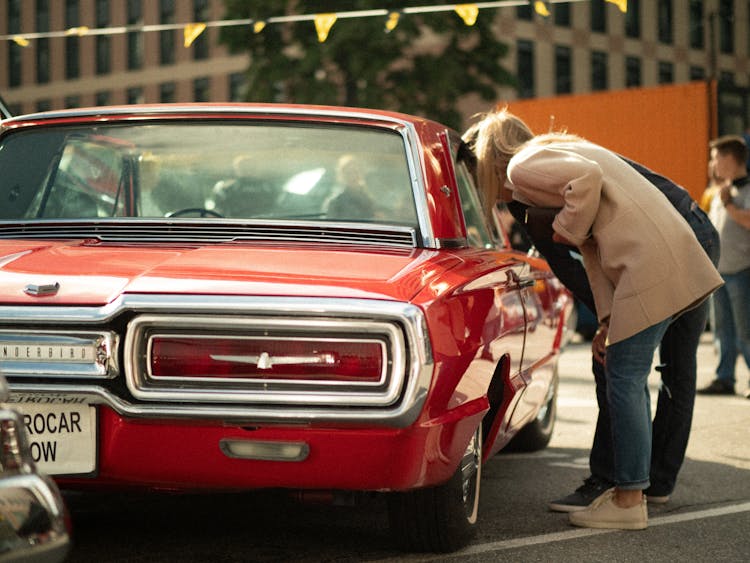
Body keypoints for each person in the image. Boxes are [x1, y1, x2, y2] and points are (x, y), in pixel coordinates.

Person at [468, 108, 723, 530]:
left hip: (649, 264)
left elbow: (586, 181)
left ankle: (628, 500)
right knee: (627, 371)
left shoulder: (522, 163)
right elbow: (591, 255)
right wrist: (606, 320)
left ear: (491, 157)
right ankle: (632, 490)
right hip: (661, 257)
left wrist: (567, 227)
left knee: (624, 376)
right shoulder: (552, 157)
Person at [697, 135, 750, 397]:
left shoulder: (743, 191)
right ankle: (724, 378)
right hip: (719, 272)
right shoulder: (720, 192)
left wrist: (729, 203)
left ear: (731, 158)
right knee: (722, 330)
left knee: (746, 330)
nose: (713, 163)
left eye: (717, 157)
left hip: (743, 271)